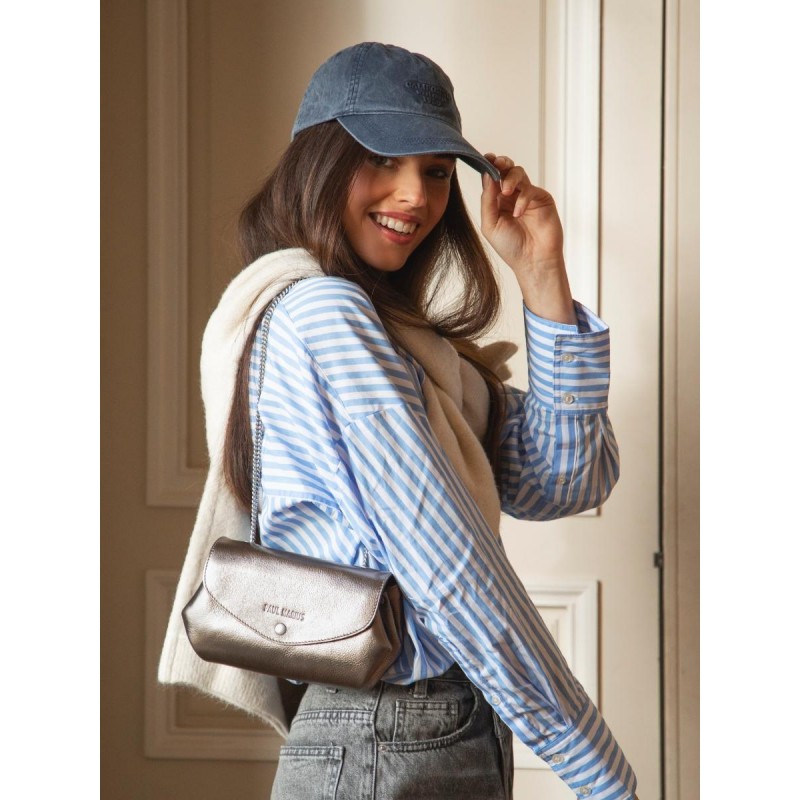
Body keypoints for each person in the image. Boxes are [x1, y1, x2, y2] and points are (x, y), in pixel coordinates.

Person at [159, 42, 638, 800]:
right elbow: (451, 571)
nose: (415, 194)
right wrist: (597, 767)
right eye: (382, 158)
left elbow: (562, 481)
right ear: (319, 163)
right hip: (391, 735)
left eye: (437, 171)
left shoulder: (404, 343)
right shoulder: (326, 317)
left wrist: (542, 274)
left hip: (422, 732)